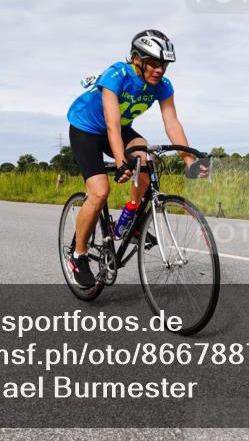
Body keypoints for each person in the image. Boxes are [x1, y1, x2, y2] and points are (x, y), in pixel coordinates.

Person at [66, 29, 208, 288]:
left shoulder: (163, 87)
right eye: (153, 63)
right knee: (99, 193)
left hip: (119, 129)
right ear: (136, 59)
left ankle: (128, 222)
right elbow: (112, 123)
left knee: (146, 156)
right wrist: (121, 161)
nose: (160, 70)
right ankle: (79, 255)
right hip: (86, 129)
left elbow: (172, 123)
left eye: (163, 64)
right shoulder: (117, 75)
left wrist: (190, 161)